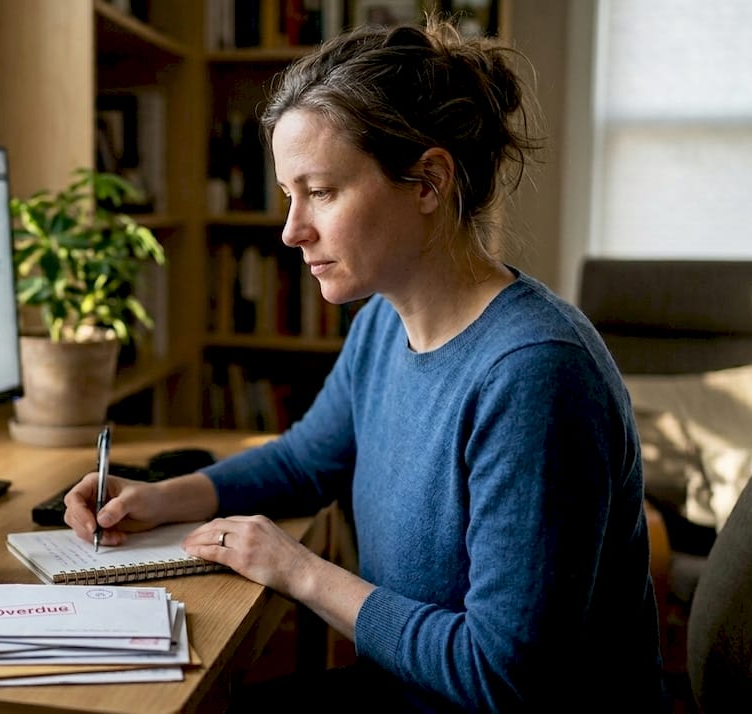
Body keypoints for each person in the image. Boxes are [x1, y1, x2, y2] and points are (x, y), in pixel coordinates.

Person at [63, 17, 665, 713]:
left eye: (320, 192)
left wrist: (298, 571)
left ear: (428, 182)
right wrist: (161, 497)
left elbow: (500, 676)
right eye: (290, 195)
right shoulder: (384, 320)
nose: (292, 230)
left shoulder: (535, 376)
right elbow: (303, 461)